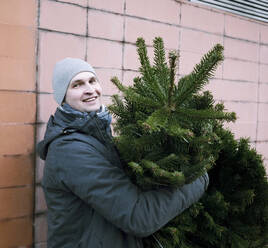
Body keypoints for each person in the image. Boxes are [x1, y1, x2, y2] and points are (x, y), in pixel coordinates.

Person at [37, 58, 209, 248]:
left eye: (92, 81)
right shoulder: (70, 151)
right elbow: (138, 216)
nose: (90, 89)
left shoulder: (97, 136)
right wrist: (199, 177)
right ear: (63, 97)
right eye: (77, 85)